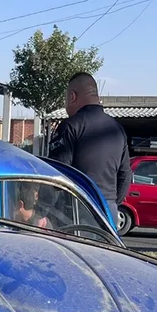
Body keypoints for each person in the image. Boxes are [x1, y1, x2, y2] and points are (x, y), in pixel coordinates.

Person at [48, 72, 131, 209]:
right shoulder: (117, 130)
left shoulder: (70, 126)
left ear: (72, 96)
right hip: (108, 210)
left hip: (76, 209)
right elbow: (125, 175)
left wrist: (43, 210)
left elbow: (58, 173)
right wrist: (112, 206)